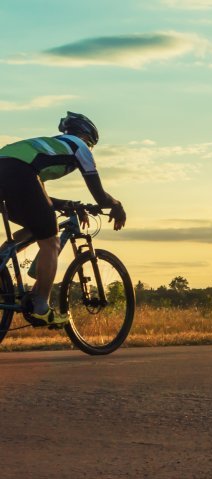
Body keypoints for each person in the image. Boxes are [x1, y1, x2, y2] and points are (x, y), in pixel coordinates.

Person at [0, 111, 126, 327]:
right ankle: (40, 305)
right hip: (19, 172)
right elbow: (100, 195)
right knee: (51, 240)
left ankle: (1, 261)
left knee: (37, 226)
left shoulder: (47, 147)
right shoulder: (79, 146)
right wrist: (116, 205)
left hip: (7, 168)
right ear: (88, 137)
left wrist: (68, 204)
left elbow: (37, 193)